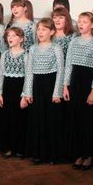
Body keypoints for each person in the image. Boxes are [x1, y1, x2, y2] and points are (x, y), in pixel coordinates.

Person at [63, 12, 93, 170]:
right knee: (76, 120)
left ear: (92, 25)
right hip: (75, 84)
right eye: (79, 21)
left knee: (88, 121)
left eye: (85, 22)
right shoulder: (74, 41)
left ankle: (89, 155)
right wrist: (65, 85)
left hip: (88, 84)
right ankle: (78, 153)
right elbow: (68, 65)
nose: (80, 24)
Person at [21, 18, 65, 165]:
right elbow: (29, 71)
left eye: (44, 29)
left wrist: (57, 92)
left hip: (51, 85)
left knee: (51, 120)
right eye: (38, 29)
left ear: (51, 32)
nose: (40, 32)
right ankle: (39, 154)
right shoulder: (33, 48)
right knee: (38, 119)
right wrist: (28, 92)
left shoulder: (56, 48)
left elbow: (61, 70)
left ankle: (53, 154)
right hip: (37, 86)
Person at [0, 27, 27, 159]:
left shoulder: (26, 55)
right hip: (7, 89)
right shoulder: (5, 55)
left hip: (19, 90)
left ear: (21, 39)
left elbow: (28, 76)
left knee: (19, 119)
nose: (10, 38)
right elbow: (0, 74)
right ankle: (8, 148)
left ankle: (19, 148)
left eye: (14, 36)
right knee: (7, 119)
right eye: (9, 36)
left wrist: (24, 95)